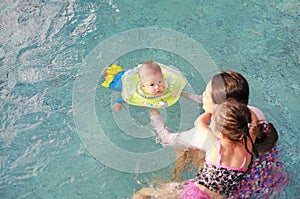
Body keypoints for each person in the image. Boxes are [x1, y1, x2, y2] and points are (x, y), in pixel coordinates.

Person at [133, 70, 289, 198]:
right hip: (266, 179)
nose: (203, 96)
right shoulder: (255, 116)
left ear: (223, 105)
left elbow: (166, 139)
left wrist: (154, 114)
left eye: (206, 94)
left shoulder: (206, 138)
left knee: (144, 194)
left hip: (213, 192)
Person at [102, 61, 191, 112]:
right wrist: (119, 103)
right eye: (152, 85)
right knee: (111, 81)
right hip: (120, 81)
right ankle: (106, 73)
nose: (157, 87)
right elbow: (126, 97)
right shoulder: (135, 92)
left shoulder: (161, 83)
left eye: (160, 82)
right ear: (143, 86)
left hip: (136, 76)